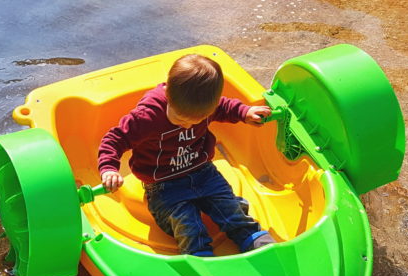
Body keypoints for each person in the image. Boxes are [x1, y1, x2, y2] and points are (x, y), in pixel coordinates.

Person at [98, 53, 276, 257]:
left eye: (197, 120)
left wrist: (245, 112)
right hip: (163, 184)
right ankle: (199, 255)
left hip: (203, 172)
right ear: (169, 99)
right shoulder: (148, 116)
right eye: (181, 119)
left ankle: (251, 236)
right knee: (187, 222)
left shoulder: (202, 106)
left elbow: (225, 106)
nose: (188, 125)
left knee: (228, 206)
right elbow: (114, 139)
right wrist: (109, 168)